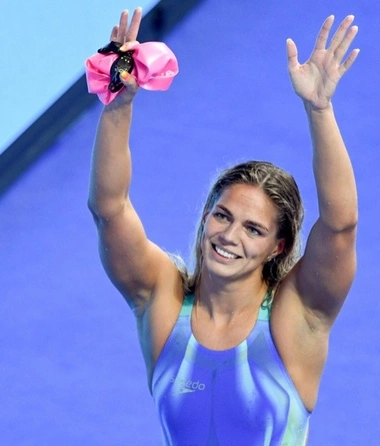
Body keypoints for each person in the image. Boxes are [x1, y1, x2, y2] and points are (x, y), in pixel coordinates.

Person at [88, 6, 359, 445]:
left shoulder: (297, 315)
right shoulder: (161, 298)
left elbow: (340, 227)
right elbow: (108, 210)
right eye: (222, 215)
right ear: (205, 217)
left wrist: (319, 109)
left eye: (253, 229)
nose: (229, 236)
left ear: (278, 246)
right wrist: (118, 105)